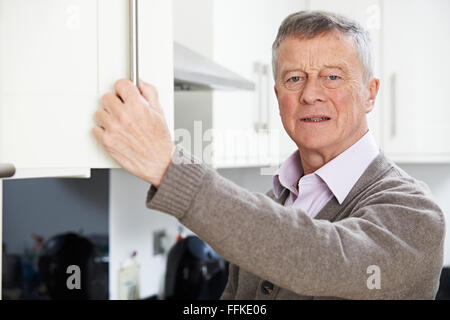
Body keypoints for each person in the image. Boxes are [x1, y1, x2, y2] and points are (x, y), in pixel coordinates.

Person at [92, 11, 445, 299]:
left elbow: (319, 259)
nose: (310, 94)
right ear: (277, 97)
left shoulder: (415, 214)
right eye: (294, 79)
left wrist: (170, 167)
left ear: (370, 94)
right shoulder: (275, 202)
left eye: (332, 77)